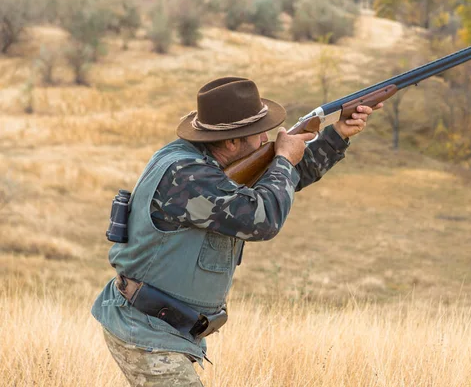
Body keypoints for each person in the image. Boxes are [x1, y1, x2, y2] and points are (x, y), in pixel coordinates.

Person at [92, 77, 382, 386]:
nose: (268, 140)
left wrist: (336, 135)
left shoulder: (207, 164)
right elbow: (263, 218)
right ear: (232, 142)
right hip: (147, 333)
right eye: (260, 135)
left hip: (162, 330)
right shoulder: (188, 176)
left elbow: (284, 181)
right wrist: (283, 158)